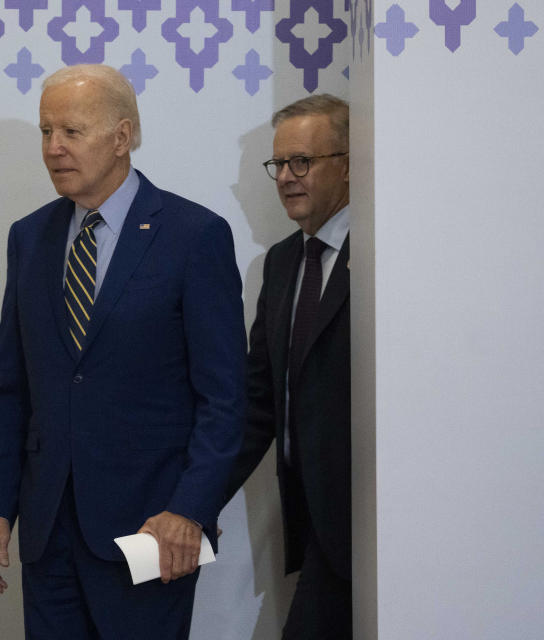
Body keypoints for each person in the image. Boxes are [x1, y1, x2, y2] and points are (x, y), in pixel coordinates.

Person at [0, 64, 246, 638]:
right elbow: (11, 388)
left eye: (71, 131)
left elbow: (225, 397)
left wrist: (190, 509)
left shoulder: (194, 236)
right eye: (45, 132)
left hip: (151, 534)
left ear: (121, 138)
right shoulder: (29, 237)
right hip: (48, 535)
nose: (53, 148)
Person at [224, 94, 352, 639]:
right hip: (312, 525)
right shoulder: (280, 263)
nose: (286, 178)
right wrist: (190, 498)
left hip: (375, 524)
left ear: (349, 164)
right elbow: (259, 403)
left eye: (303, 161)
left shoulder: (387, 255)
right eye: (279, 164)